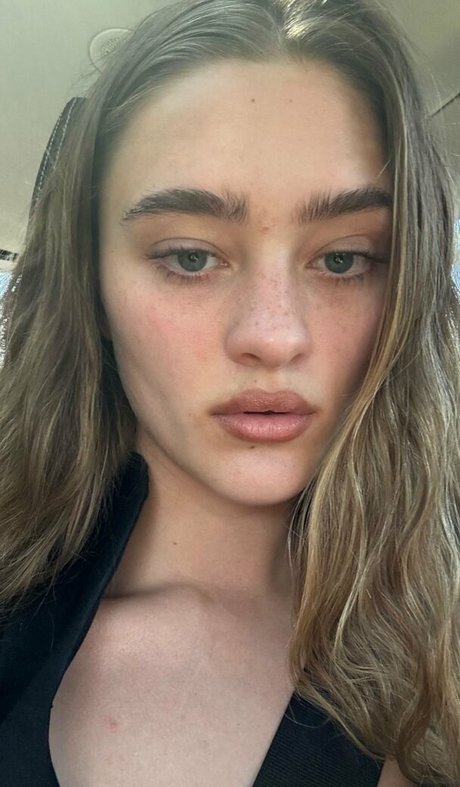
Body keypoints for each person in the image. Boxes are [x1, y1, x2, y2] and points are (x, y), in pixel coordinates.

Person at [0, 0, 459, 784]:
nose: (273, 336)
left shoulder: (438, 649)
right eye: (189, 256)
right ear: (92, 288)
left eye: (343, 259)